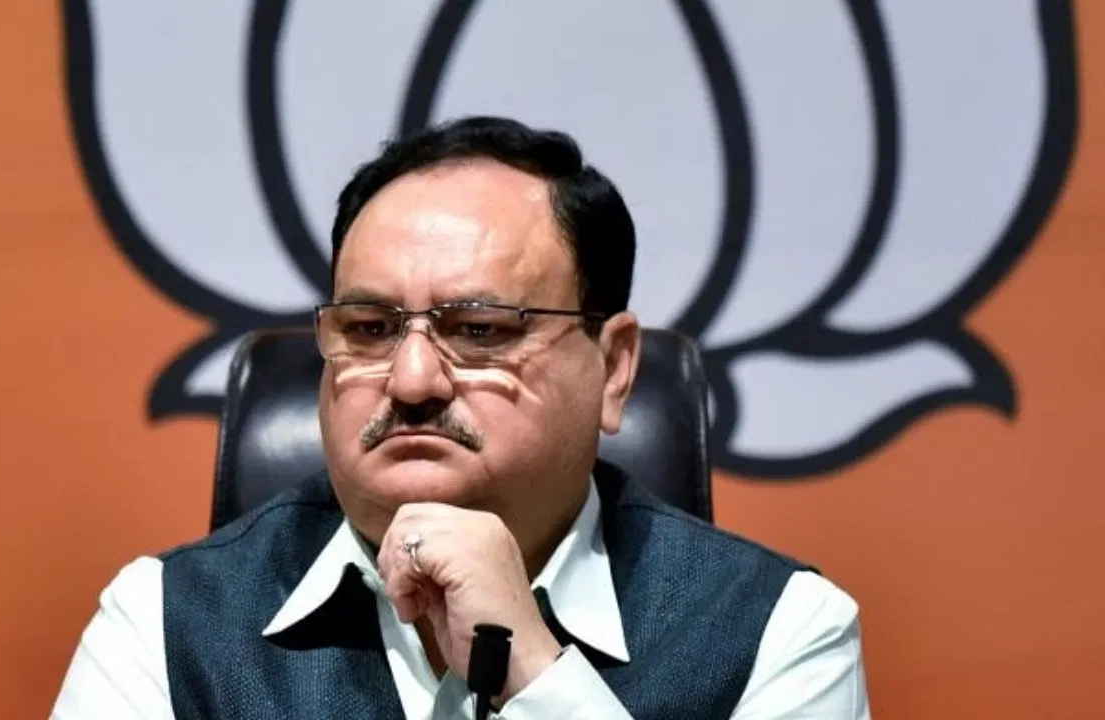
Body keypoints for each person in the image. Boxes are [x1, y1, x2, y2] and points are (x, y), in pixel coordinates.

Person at [51, 116, 870, 719]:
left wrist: (536, 675)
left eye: (479, 330)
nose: (411, 380)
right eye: (369, 330)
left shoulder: (778, 631)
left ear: (614, 367)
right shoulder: (165, 622)